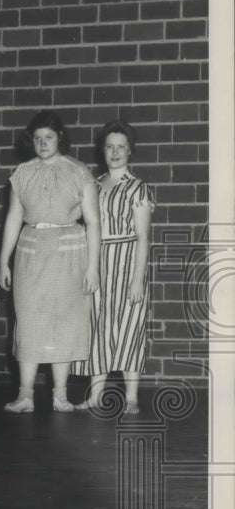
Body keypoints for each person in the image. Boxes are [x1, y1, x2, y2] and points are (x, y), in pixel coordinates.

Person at [0, 110, 100, 413]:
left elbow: (93, 222)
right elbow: (14, 218)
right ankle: (25, 395)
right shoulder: (23, 173)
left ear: (60, 139)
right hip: (31, 251)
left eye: (49, 137)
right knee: (28, 320)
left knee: (64, 322)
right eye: (37, 138)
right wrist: (4, 261)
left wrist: (93, 267)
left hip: (70, 252)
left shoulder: (79, 171)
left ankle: (60, 396)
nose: (42, 143)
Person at [73, 120, 154, 414]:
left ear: (130, 150)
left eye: (121, 146)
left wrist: (137, 280)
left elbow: (143, 236)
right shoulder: (93, 185)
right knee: (98, 328)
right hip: (97, 262)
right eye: (110, 146)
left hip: (127, 261)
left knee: (130, 327)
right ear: (102, 150)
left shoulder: (138, 188)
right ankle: (96, 396)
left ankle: (131, 397)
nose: (115, 152)